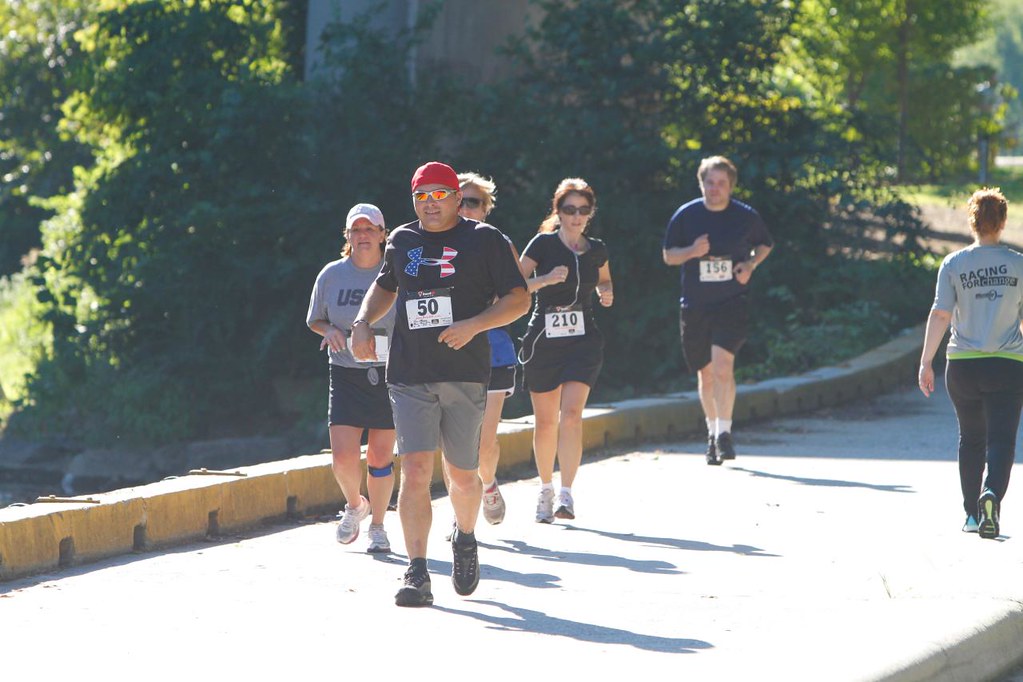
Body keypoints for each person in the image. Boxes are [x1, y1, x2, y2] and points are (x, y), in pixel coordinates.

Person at [351, 161, 529, 607]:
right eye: (421, 196)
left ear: (455, 197)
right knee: (413, 471)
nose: (430, 204)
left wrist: (474, 325)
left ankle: (465, 537)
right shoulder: (403, 240)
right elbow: (386, 285)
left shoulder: (483, 239)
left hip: (466, 371)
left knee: (463, 475)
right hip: (410, 372)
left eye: (439, 194)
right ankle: (417, 571)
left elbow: (519, 299)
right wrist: (361, 322)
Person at [919, 188, 1023, 540]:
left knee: (971, 437)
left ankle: (971, 515)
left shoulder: (954, 264)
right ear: (1003, 222)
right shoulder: (1018, 264)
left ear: (972, 221)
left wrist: (925, 362)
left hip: (962, 364)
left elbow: (941, 313)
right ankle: (991, 494)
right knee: (1002, 439)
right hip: (1007, 363)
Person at [662, 156, 773, 465]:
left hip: (732, 301)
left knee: (723, 365)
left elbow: (765, 244)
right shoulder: (687, 215)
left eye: (721, 183)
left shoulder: (745, 216)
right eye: (709, 182)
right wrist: (691, 252)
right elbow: (668, 256)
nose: (715, 188)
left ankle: (725, 433)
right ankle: (712, 432)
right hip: (696, 304)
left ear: (731, 186)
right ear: (701, 183)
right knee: (706, 373)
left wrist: (750, 264)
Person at [518, 178, 613, 523]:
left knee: (571, 416)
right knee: (546, 422)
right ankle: (545, 488)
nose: (576, 216)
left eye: (582, 210)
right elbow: (513, 287)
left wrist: (606, 293)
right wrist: (544, 280)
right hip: (544, 339)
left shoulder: (596, 248)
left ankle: (567, 495)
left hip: (583, 340)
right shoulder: (543, 244)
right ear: (558, 211)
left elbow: (605, 280)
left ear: (590, 213)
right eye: (569, 210)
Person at [306, 203, 396, 553]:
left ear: (382, 234)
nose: (363, 236)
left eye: (370, 229)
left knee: (379, 457)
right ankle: (356, 506)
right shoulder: (331, 274)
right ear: (347, 236)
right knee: (343, 458)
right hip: (344, 371)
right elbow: (315, 319)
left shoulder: (395, 272)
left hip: (389, 372)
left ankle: (378, 527)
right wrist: (329, 330)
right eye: (356, 230)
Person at [441, 172, 517, 530]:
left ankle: (487, 484)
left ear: (486, 209)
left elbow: (516, 300)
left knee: (484, 445)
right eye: (462, 200)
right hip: (446, 353)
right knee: (451, 443)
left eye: (474, 202)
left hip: (493, 351)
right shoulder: (433, 246)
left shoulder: (499, 245)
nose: (467, 208)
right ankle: (460, 515)